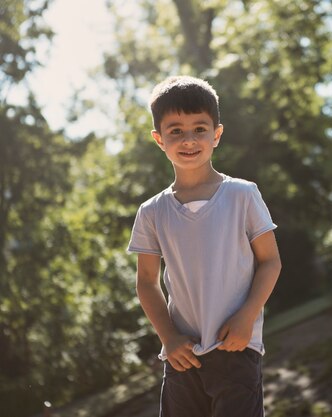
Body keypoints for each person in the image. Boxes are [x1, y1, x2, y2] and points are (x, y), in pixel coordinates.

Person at [127, 75, 281, 417]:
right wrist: (168, 337)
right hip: (182, 357)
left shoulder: (243, 194)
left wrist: (246, 317)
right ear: (159, 139)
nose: (189, 139)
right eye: (176, 131)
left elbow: (270, 262)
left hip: (236, 348)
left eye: (199, 128)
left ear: (217, 134)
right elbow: (147, 282)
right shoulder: (152, 212)